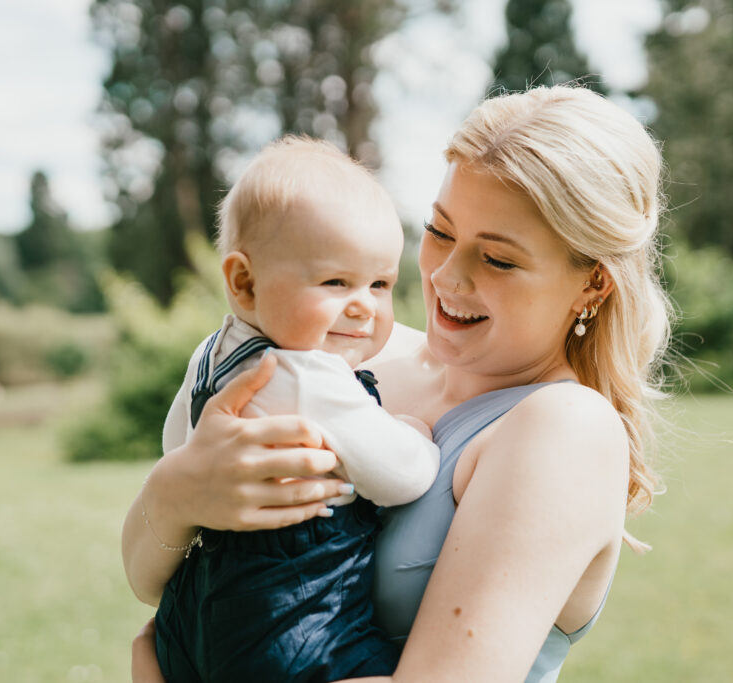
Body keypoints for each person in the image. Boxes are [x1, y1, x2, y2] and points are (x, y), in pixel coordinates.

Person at [124, 83, 671, 682]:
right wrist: (178, 489)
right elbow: (148, 581)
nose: (445, 275)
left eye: (498, 259)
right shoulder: (346, 366)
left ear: (593, 283)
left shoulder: (564, 428)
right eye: (439, 231)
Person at [147, 136, 440, 683]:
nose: (363, 304)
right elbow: (403, 476)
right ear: (245, 282)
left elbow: (179, 450)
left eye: (380, 284)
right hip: (295, 620)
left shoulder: (212, 355)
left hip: (194, 616)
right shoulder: (309, 374)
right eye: (335, 281)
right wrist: (412, 430)